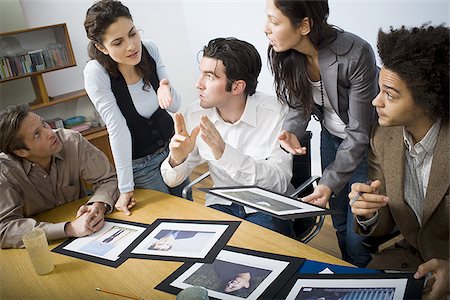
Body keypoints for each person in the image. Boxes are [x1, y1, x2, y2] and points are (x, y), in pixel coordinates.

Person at [264, 0, 379, 266]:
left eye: (274, 21)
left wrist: (329, 180)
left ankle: (363, 275)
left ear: (304, 25)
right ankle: (349, 270)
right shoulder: (287, 52)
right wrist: (292, 130)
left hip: (367, 144)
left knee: (357, 232)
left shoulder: (356, 52)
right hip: (331, 138)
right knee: (337, 217)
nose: (265, 29)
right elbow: (298, 104)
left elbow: (360, 131)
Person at [349, 24, 449, 300]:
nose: (375, 101)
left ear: (428, 101)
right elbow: (386, 220)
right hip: (413, 258)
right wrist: (368, 212)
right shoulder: (383, 136)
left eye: (390, 95)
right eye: (380, 90)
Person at [160, 37, 294, 236]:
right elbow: (171, 180)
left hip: (267, 205)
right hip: (221, 202)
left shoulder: (276, 113)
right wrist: (177, 158)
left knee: (261, 253)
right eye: (201, 74)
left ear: (237, 87)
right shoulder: (195, 114)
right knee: (210, 256)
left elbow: (279, 182)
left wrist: (225, 153)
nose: (198, 84)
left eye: (210, 77)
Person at [83, 0, 190, 214]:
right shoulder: (96, 73)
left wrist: (165, 88)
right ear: (101, 47)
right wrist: (125, 188)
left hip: (173, 153)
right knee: (168, 220)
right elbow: (117, 129)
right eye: (118, 42)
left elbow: (176, 105)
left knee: (191, 212)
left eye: (133, 33)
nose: (131, 46)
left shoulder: (149, 49)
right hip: (142, 165)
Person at [0, 104, 120, 248]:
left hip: (87, 233)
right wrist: (68, 229)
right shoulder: (4, 171)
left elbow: (108, 178)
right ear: (21, 152)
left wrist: (99, 204)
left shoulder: (71, 141)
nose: (50, 133)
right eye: (37, 134)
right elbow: (5, 228)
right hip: (41, 246)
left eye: (44, 123)